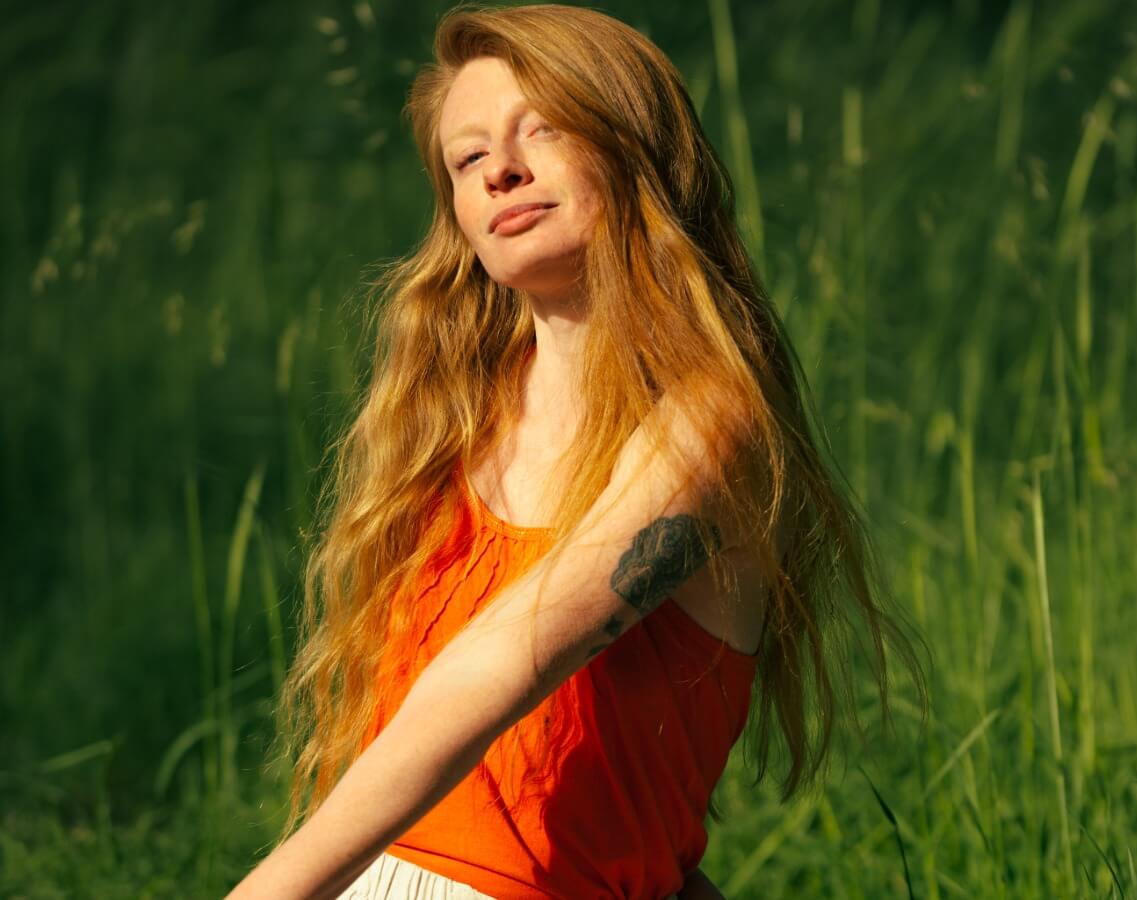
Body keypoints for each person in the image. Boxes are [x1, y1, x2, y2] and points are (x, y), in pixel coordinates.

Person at [228, 4, 926, 898]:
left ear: (635, 149)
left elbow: (506, 665)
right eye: (468, 159)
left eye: (543, 128)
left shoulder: (708, 421)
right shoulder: (451, 417)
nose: (501, 170)